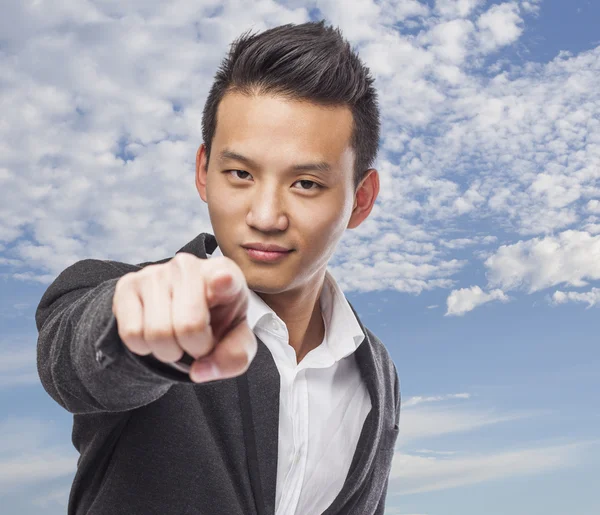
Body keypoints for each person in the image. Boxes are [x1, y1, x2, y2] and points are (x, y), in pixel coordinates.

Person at [36, 19, 400, 515]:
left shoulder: (378, 374)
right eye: (240, 174)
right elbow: (76, 363)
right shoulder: (120, 295)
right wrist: (135, 333)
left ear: (361, 200)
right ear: (203, 173)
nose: (266, 217)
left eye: (306, 184)